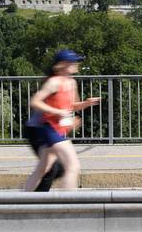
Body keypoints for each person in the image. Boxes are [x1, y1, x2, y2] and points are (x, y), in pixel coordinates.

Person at [24, 50, 99, 191]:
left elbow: (71, 106)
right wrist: (57, 112)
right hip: (48, 128)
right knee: (73, 165)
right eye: (74, 62)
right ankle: (68, 204)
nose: (77, 64)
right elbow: (35, 101)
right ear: (64, 64)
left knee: (44, 168)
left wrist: (86, 103)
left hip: (56, 128)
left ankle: (20, 201)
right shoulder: (54, 82)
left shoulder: (72, 82)